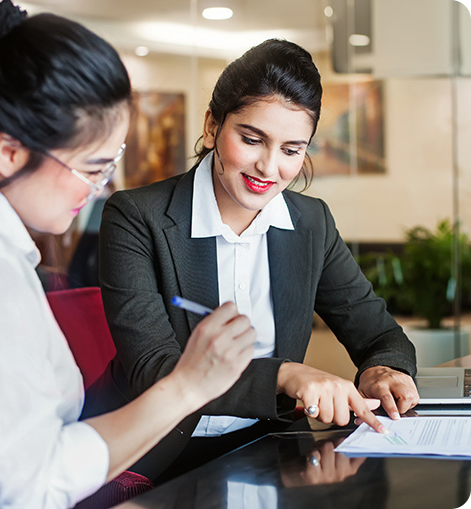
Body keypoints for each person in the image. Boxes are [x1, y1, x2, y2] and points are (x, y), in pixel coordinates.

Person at [0, 1, 255, 508]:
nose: (99, 189)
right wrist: (187, 387)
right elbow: (33, 483)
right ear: (10, 152)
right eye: (92, 168)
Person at [96, 38, 420, 482]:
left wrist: (384, 370)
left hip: (269, 448)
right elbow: (154, 370)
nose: (268, 167)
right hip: (153, 454)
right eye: (252, 140)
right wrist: (285, 375)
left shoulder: (311, 223)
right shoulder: (136, 216)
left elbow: (379, 334)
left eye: (291, 150)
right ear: (212, 126)